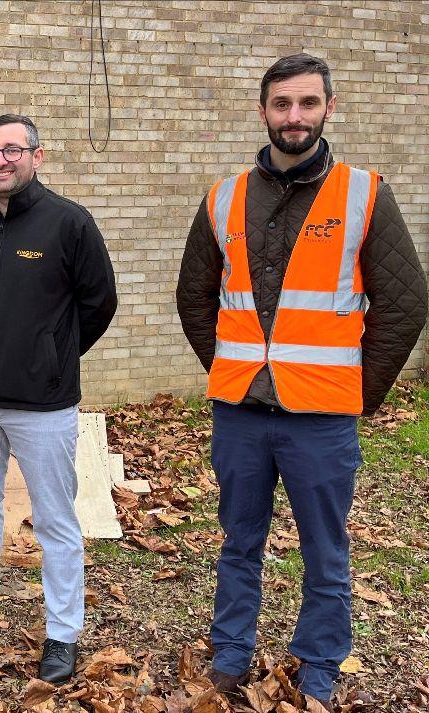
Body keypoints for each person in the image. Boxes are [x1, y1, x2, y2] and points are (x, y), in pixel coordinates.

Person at [177, 53, 427, 705]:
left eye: (308, 103)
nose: (295, 116)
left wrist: (358, 390)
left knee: (326, 550)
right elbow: (194, 297)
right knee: (239, 540)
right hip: (241, 414)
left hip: (321, 416)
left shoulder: (364, 194)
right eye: (282, 104)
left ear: (328, 108)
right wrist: (234, 366)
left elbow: (406, 303)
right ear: (263, 112)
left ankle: (318, 663)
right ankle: (231, 653)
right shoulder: (223, 196)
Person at [0, 114, 118, 684]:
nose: (0, 160)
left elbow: (99, 303)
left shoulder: (69, 224)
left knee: (56, 521)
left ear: (38, 156)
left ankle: (63, 634)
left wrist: (51, 355)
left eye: (13, 149)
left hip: (43, 405)